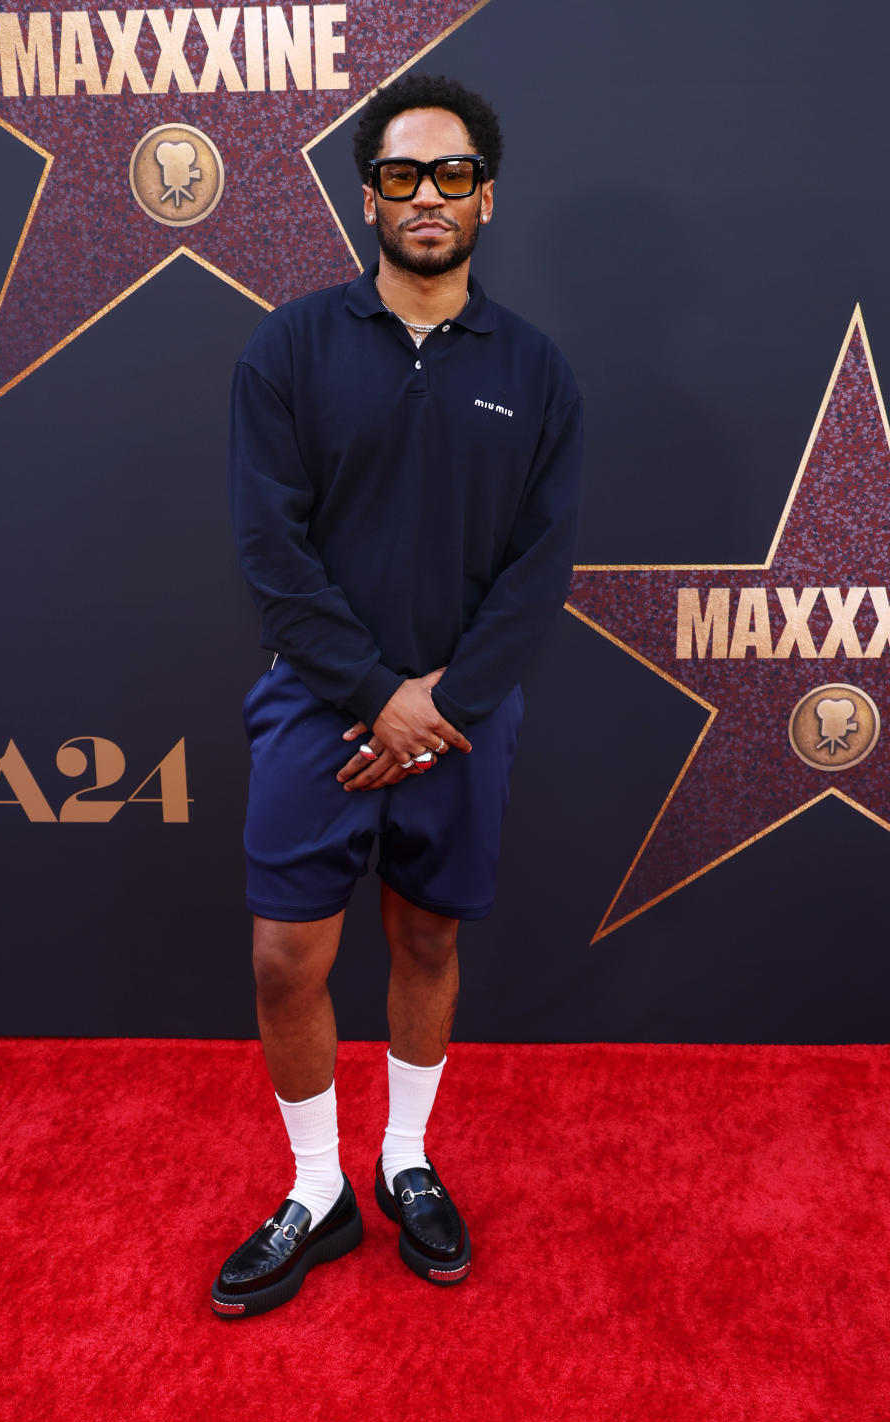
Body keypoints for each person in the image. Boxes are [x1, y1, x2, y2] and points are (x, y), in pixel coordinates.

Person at [212, 73, 582, 1317]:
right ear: (366, 193)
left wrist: (440, 705)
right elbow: (274, 551)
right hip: (319, 706)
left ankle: (403, 1158)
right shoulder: (290, 347)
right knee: (284, 961)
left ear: (488, 195)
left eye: (455, 173)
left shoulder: (537, 372)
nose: (430, 196)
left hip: (467, 715)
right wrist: (378, 697)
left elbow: (541, 569)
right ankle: (317, 1191)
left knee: (427, 938)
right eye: (405, 175)